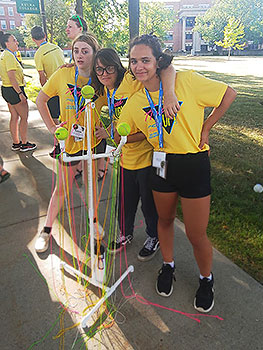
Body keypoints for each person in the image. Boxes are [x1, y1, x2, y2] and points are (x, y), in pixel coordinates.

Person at [118, 34, 237, 312]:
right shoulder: (136, 100)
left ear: (158, 61)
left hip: (193, 164)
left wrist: (206, 129)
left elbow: (228, 94)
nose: (139, 67)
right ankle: (168, 265)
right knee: (165, 219)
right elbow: (126, 132)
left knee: (197, 234)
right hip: (161, 164)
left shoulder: (186, 81)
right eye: (134, 61)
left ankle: (206, 279)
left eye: (145, 60)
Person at [92, 48, 180, 261]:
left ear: (118, 66)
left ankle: (153, 237)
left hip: (147, 157)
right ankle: (125, 234)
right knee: (124, 202)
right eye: (99, 70)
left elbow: (167, 66)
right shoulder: (106, 92)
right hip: (124, 159)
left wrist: (169, 93)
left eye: (109, 68)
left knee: (149, 204)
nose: (104, 74)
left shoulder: (131, 80)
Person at [34, 33, 105, 253]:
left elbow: (119, 104)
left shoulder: (102, 79)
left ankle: (94, 226)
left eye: (85, 51)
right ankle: (46, 230)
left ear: (95, 54)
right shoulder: (63, 73)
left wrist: (108, 130)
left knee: (91, 188)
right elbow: (41, 100)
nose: (79, 55)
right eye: (76, 50)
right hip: (70, 145)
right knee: (62, 189)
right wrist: (52, 128)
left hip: (93, 144)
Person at [31, 25, 65, 158]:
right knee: (67, 116)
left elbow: (42, 76)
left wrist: (46, 92)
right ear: (45, 35)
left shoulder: (39, 53)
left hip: (54, 88)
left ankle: (58, 146)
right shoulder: (57, 48)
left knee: (54, 119)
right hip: (67, 87)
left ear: (33, 39)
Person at [0, 31, 37, 152]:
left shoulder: (4, 55)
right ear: (6, 43)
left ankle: (16, 143)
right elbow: (12, 77)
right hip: (14, 89)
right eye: (14, 40)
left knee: (14, 117)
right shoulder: (9, 56)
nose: (17, 42)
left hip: (6, 89)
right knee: (24, 117)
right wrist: (20, 94)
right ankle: (24, 144)